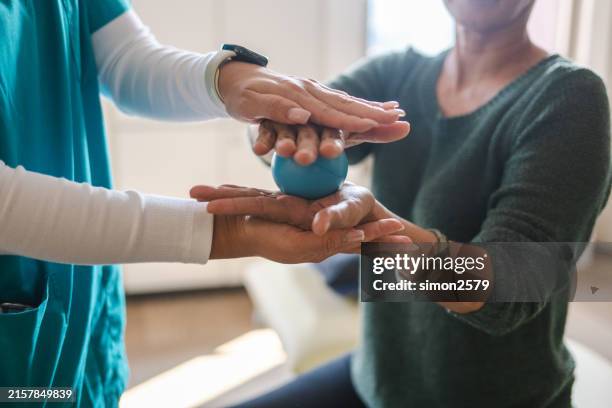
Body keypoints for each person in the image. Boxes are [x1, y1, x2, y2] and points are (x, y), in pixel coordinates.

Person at [192, 0, 612, 406]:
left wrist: (384, 233)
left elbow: (509, 289)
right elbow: (299, 120)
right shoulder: (395, 75)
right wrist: (273, 124)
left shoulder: (569, 98)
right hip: (377, 380)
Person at [0, 1, 411, 405]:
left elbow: (476, 292)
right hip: (375, 370)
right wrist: (262, 123)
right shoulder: (394, 74)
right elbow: (288, 129)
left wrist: (388, 243)